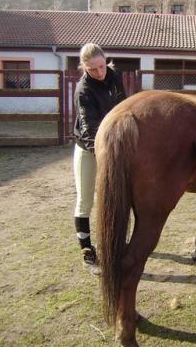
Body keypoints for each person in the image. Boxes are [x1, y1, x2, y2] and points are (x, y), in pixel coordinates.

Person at [73, 43, 127, 275]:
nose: (100, 73)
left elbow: (123, 107)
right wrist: (105, 157)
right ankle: (87, 251)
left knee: (118, 196)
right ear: (84, 67)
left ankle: (116, 244)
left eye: (102, 66)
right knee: (86, 200)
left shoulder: (114, 76)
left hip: (114, 146)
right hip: (89, 149)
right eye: (92, 69)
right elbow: (89, 130)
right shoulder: (83, 90)